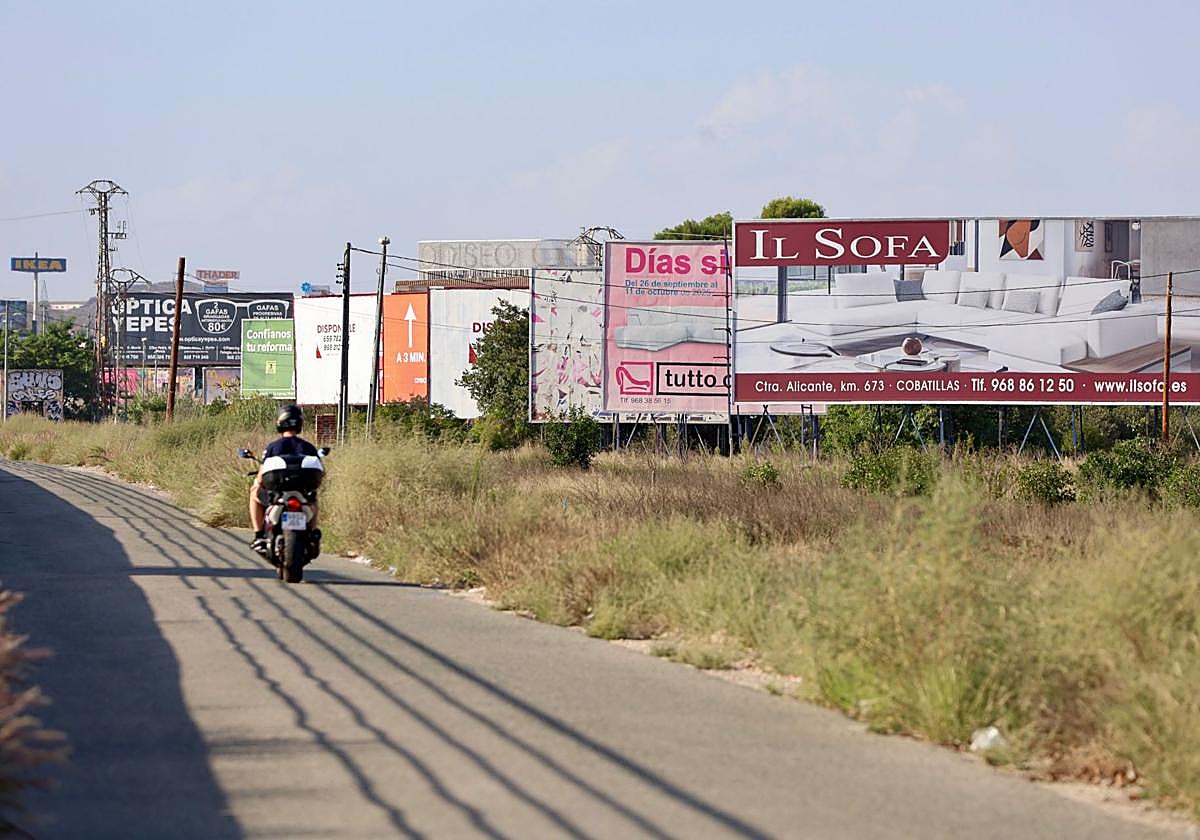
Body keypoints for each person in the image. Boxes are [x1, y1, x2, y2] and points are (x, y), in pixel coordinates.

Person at [249, 404, 320, 552]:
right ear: (299, 423)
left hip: (278, 496)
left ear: (280, 423)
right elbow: (319, 474)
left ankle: (258, 535)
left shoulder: (273, 447)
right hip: (302, 495)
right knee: (313, 499)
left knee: (254, 492)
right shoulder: (308, 447)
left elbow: (262, 476)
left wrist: (258, 483)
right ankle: (312, 532)